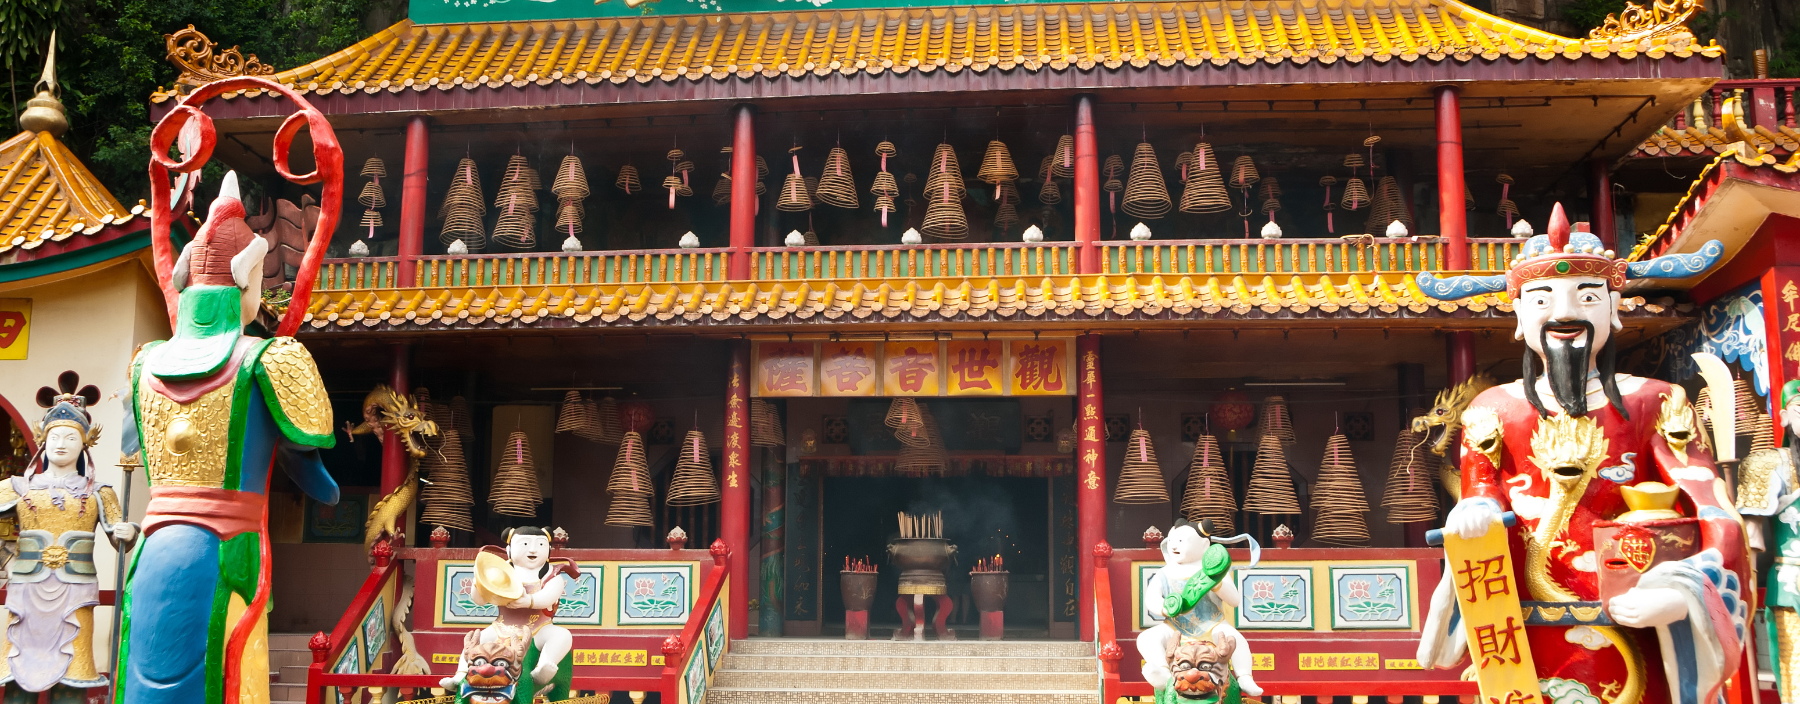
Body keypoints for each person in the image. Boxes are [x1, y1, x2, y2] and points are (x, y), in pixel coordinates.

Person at [1414, 205, 1745, 704]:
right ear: (1519, 317)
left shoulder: (1655, 401)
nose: (1565, 314)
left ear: (1614, 309)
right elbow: (1481, 489)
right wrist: (1474, 511)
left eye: (1588, 297)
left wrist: (1685, 590)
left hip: (1638, 618)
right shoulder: (1492, 408)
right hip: (1523, 634)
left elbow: (1713, 510)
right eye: (1542, 299)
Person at [116, 171, 340, 704]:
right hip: (228, 545)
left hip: (153, 547)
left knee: (143, 665)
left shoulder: (144, 365)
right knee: (229, 668)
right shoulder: (269, 358)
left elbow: (131, 445)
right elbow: (315, 476)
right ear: (247, 279)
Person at [0, 373, 138, 703]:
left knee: (73, 672)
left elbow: (119, 535)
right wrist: (8, 559)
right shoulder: (16, 486)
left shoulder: (100, 492)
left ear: (85, 443)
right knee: (18, 670)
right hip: (27, 591)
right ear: (43, 441)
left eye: (71, 437)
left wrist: (129, 531)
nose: (61, 443)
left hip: (75, 591)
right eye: (54, 436)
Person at [441, 527, 578, 703]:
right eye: (525, 544)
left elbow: (549, 596)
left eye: (540, 545)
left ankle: (543, 667)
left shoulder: (551, 575)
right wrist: (478, 583)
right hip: (502, 626)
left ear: (548, 550)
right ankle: (460, 674)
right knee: (476, 640)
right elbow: (480, 600)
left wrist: (529, 601)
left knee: (562, 635)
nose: (533, 550)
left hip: (538, 628)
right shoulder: (500, 571)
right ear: (509, 549)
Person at [1138, 521, 1261, 704]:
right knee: (1146, 638)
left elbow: (1234, 600)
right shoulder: (1165, 572)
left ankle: (1244, 676)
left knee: (1236, 639)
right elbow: (1151, 599)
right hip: (1175, 627)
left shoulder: (1214, 571)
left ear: (1204, 545)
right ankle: (1163, 673)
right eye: (1171, 541)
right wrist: (1164, 607)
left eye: (1180, 541)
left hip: (1213, 624)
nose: (1174, 546)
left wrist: (1217, 584)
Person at [1741, 380, 1800, 704]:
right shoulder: (1769, 464)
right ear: (1785, 417)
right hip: (1793, 582)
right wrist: (1747, 585)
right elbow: (1752, 534)